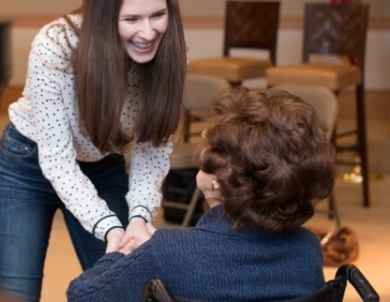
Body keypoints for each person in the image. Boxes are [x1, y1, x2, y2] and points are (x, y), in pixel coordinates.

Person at [0, 0, 187, 302]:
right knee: (14, 295)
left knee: (123, 289)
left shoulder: (171, 54)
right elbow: (57, 160)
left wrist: (138, 217)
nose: (148, 32)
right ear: (103, 15)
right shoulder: (57, 47)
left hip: (102, 164)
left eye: (158, 15)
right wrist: (108, 225)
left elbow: (152, 150)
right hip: (28, 164)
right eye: (131, 20)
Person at [67, 87, 336, 302]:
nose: (204, 145)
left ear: (221, 177)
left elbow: (81, 296)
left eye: (212, 144)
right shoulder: (306, 249)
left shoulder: (167, 252)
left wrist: (120, 254)